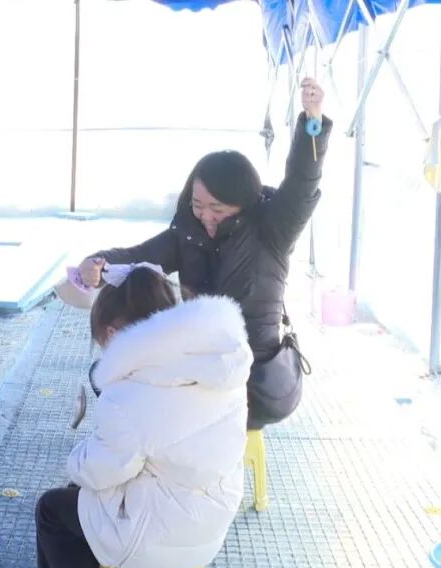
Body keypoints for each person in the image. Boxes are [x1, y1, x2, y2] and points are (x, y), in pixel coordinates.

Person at [79, 78, 329, 430]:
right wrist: (97, 262)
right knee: (112, 373)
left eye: (217, 208)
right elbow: (137, 256)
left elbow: (302, 183)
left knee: (138, 391)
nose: (206, 217)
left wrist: (311, 123)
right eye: (198, 205)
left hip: (255, 380)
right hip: (202, 371)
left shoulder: (273, 228)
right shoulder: (186, 233)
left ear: (243, 203)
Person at [34, 266, 252, 568]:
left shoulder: (128, 394)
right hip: (212, 518)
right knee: (83, 497)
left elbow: (102, 470)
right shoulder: (215, 361)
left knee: (52, 507)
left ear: (112, 333)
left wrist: (76, 458)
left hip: (160, 539)